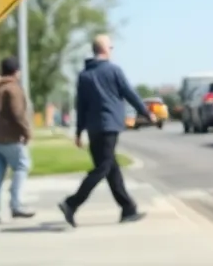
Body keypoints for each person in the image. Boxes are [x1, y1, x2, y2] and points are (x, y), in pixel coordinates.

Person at [58, 34, 150, 228]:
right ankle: (71, 203)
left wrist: (78, 131)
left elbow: (80, 106)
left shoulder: (84, 75)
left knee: (111, 168)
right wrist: (146, 112)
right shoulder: (113, 70)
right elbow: (129, 93)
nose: (112, 50)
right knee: (103, 168)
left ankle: (128, 208)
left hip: (93, 128)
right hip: (109, 126)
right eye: (111, 47)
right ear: (105, 49)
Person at [0, 56, 35, 225]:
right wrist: (27, 132)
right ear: (16, 71)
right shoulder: (13, 89)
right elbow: (17, 113)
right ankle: (16, 204)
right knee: (22, 165)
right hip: (11, 138)